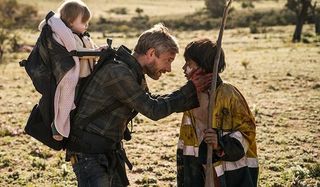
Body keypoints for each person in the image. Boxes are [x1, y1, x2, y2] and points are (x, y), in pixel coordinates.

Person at [67, 24, 212, 187]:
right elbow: (152, 109)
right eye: (168, 60)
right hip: (90, 154)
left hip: (106, 151)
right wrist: (190, 89)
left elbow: (151, 100)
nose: (169, 69)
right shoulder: (119, 72)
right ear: (151, 53)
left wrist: (189, 93)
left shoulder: (132, 70)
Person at [177, 38, 259, 187]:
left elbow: (248, 131)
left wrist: (220, 144)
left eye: (189, 64)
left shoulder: (229, 94)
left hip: (228, 172)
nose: (184, 68)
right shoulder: (191, 96)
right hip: (199, 168)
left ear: (203, 67)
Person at [38, 0, 101, 141]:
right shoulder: (69, 37)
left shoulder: (83, 36)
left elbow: (90, 48)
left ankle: (74, 124)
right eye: (83, 22)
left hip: (85, 75)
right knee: (66, 101)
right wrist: (96, 52)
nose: (86, 25)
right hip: (73, 75)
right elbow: (78, 52)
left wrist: (98, 50)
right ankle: (58, 126)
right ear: (71, 22)